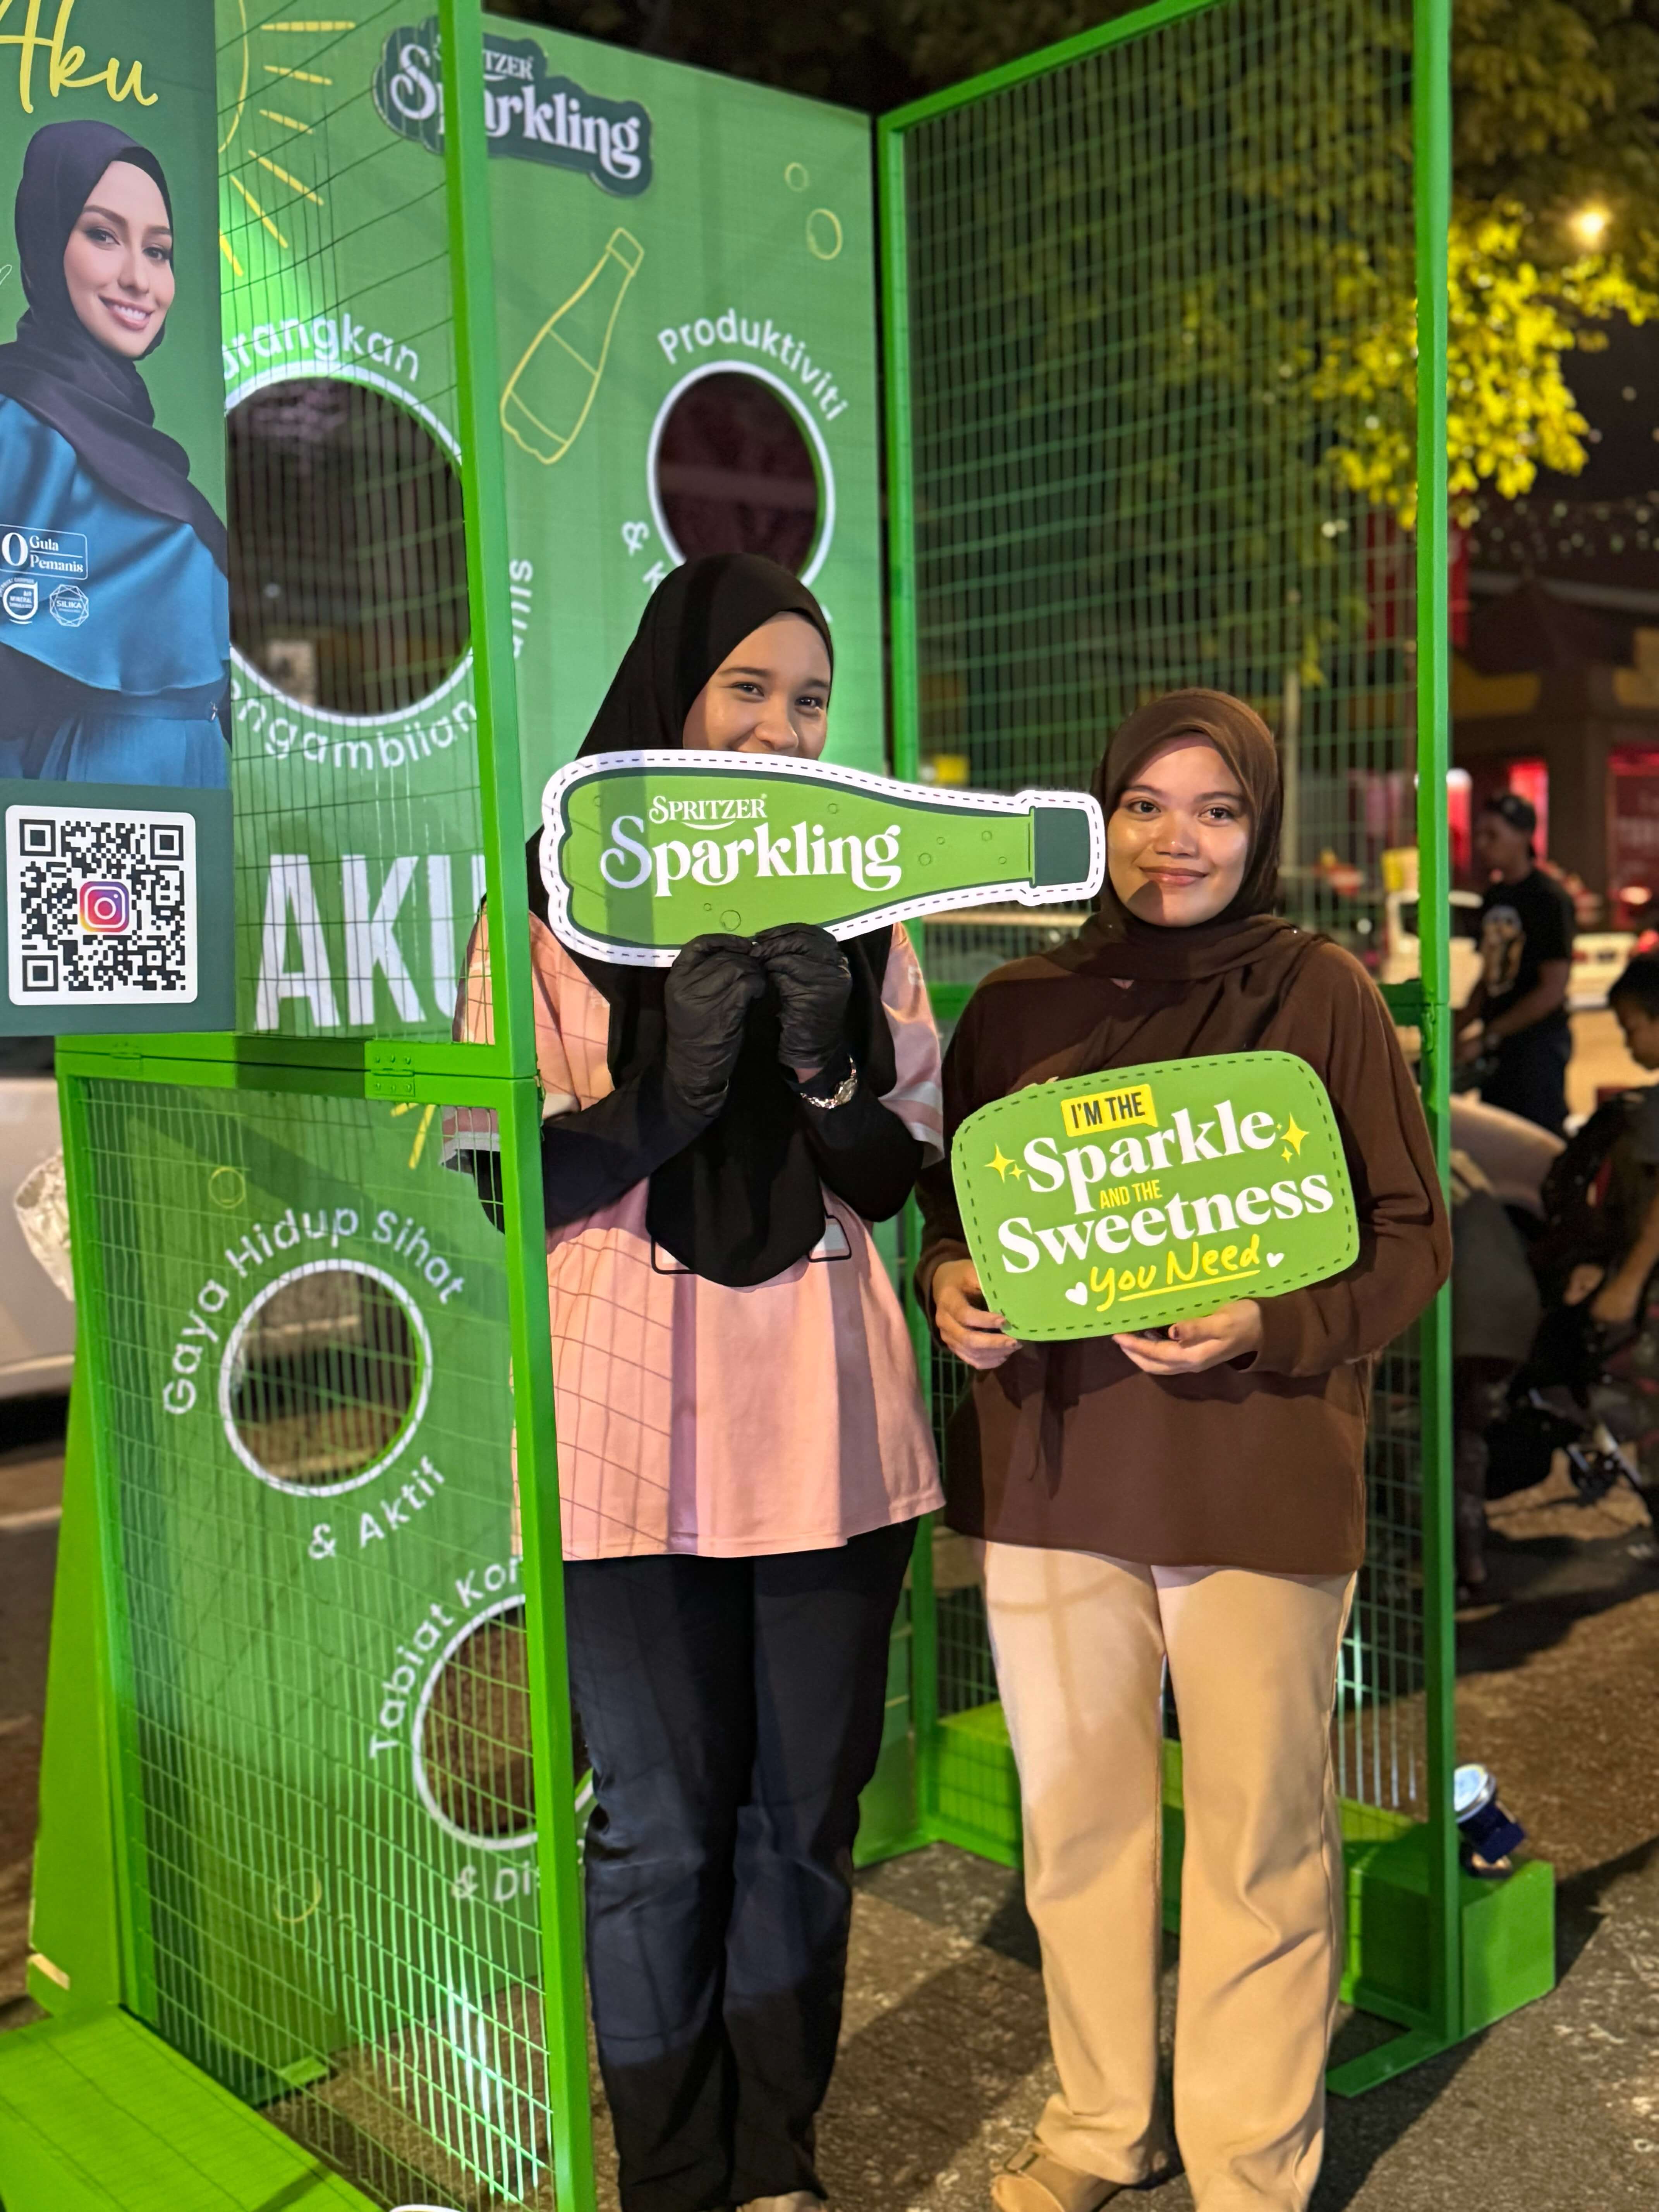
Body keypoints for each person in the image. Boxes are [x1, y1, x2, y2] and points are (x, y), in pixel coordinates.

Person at [447, 554, 943, 2212]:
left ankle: (774, 2164)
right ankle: (670, 2179)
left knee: (801, 1819)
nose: (782, 728)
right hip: (622, 1440)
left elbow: (894, 1174)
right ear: (673, 691)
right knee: (656, 1829)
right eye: (748, 688)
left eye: (810, 700)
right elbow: (509, 1174)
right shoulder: (553, 892)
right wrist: (673, 1092)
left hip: (830, 1427)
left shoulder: (867, 898)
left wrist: (820, 1073)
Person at [917, 690, 1449, 2212]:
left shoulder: (1320, 990)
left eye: (1217, 809)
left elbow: (1410, 1239)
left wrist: (1268, 1325)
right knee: (1077, 1833)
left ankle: (1247, 2172)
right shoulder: (1016, 1003)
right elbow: (962, 1212)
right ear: (1103, 817)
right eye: (1145, 804)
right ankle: (1100, 2129)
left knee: (1257, 1846)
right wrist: (948, 1285)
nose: (1178, 840)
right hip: (1053, 1478)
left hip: (1253, 1479)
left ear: (1261, 827)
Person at [0, 120, 228, 787]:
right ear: (46, 239)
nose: (138, 278)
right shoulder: (17, 424)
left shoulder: (147, 450)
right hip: (86, 786)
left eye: (158, 251)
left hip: (196, 778)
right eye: (102, 235)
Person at [1455, 793, 1575, 1135]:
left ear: (1524, 836)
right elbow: (1491, 976)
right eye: (1479, 834)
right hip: (1499, 1051)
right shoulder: (1494, 897)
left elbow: (1552, 989)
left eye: (1493, 835)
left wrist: (1488, 1036)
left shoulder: (1548, 898)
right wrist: (1457, 1027)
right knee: (1499, 1140)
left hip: (1537, 1048)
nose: (1482, 844)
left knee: (1536, 1140)